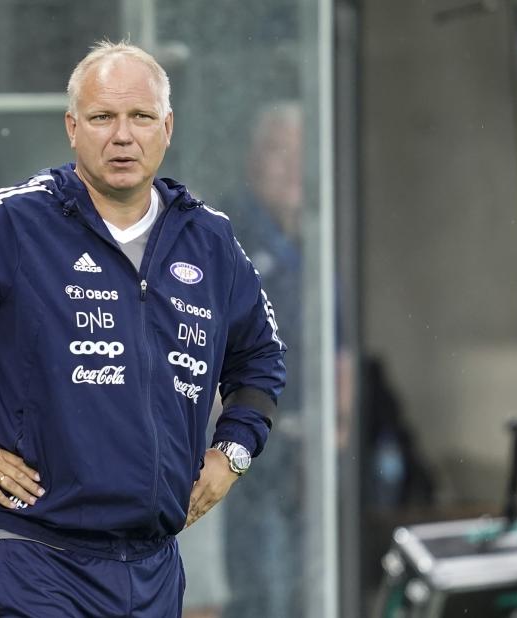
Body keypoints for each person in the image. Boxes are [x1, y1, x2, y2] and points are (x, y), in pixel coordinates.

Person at [0, 40, 286, 617]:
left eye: (141, 117)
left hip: (152, 565)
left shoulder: (210, 241)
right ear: (72, 128)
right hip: (35, 557)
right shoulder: (14, 223)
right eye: (102, 117)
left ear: (168, 128)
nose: (122, 136)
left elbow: (261, 356)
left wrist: (231, 454)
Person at [221, 101, 305, 618]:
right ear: (253, 161)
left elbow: (338, 344)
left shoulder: (315, 237)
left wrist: (333, 430)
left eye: (302, 153)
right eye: (280, 152)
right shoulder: (227, 235)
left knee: (302, 589)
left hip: (307, 452)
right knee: (259, 591)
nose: (294, 166)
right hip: (248, 447)